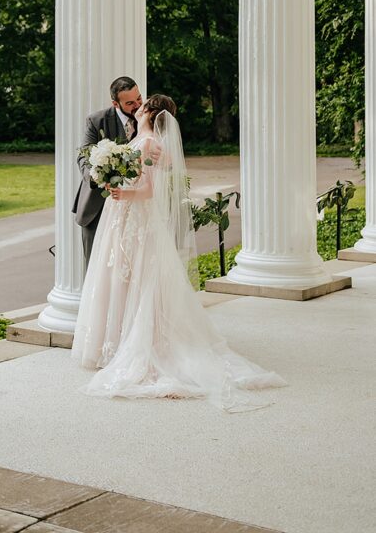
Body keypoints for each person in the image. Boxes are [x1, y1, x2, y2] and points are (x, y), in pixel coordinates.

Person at [72, 94, 286, 411]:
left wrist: (120, 191)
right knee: (129, 279)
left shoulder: (147, 144)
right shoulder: (145, 141)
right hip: (128, 220)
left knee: (137, 279)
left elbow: (146, 191)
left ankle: (137, 344)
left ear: (147, 111)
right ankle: (121, 341)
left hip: (135, 219)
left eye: (142, 105)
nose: (138, 107)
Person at [74, 77, 150, 269]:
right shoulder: (97, 120)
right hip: (97, 206)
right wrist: (100, 179)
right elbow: (84, 158)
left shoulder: (148, 118)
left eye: (139, 99)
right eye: (130, 103)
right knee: (95, 268)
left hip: (134, 208)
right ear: (115, 103)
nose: (137, 105)